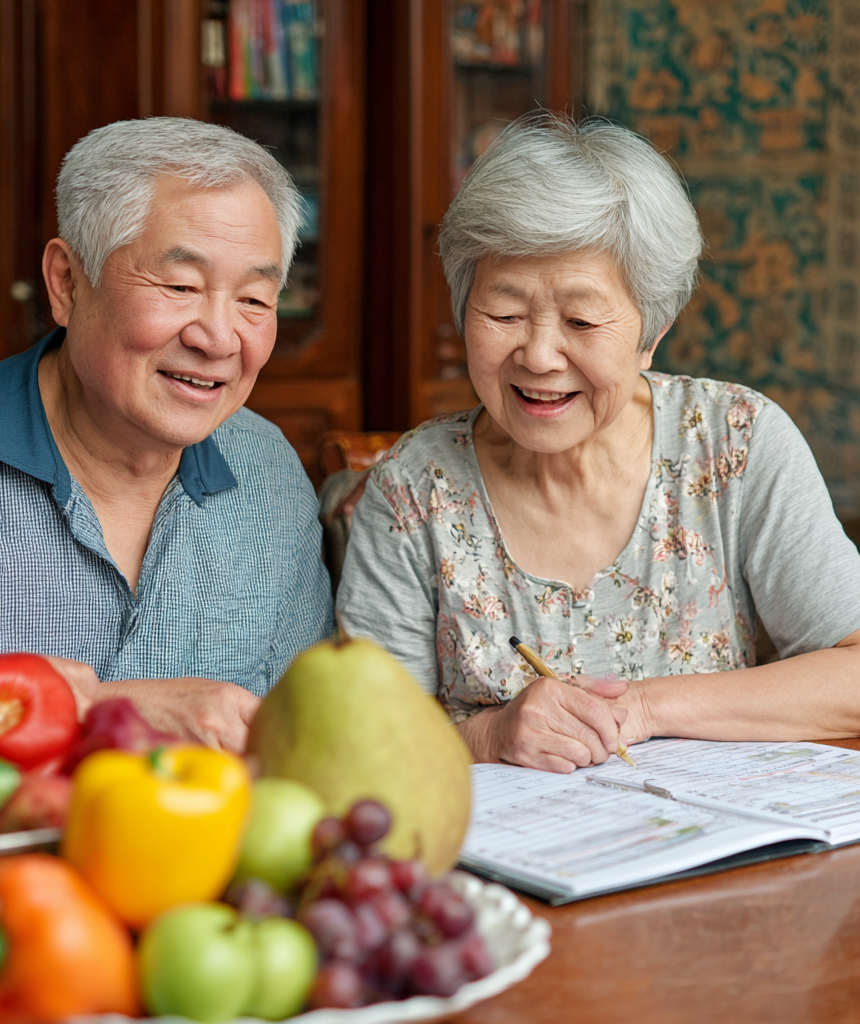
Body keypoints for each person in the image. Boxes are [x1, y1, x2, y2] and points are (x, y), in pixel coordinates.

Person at [337, 113, 860, 773]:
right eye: (503, 314)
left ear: (652, 332)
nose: (539, 354)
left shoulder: (735, 445)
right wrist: (490, 737)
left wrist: (642, 707)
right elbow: (361, 744)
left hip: (710, 859)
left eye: (581, 320)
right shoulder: (412, 492)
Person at [0, 117, 334, 754]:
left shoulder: (266, 467)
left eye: (255, 301)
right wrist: (97, 709)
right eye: (180, 287)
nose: (217, 338)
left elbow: (308, 738)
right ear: (66, 283)